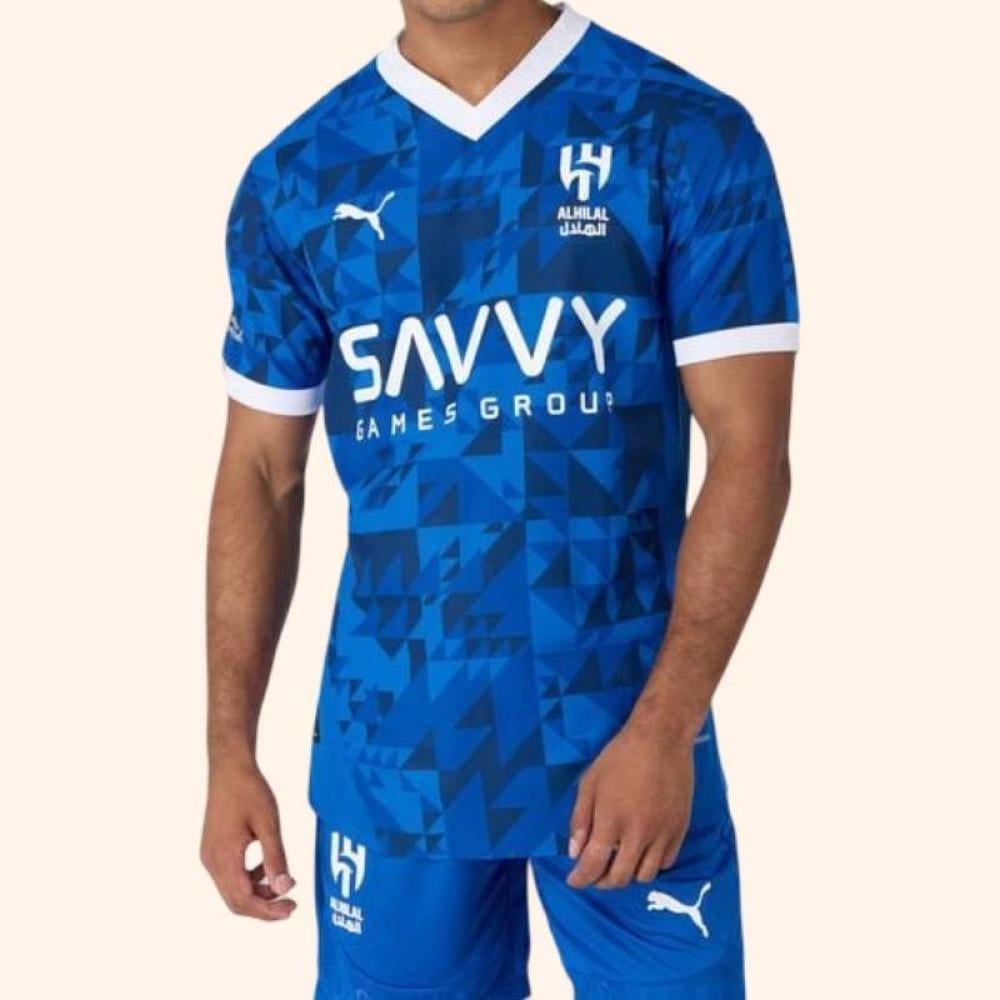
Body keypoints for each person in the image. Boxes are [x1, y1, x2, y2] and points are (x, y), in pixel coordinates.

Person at [200, 1, 797, 996]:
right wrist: (229, 749)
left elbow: (751, 452)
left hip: (621, 744)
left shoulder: (680, 131)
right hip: (394, 758)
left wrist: (664, 727)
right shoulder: (298, 177)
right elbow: (261, 470)